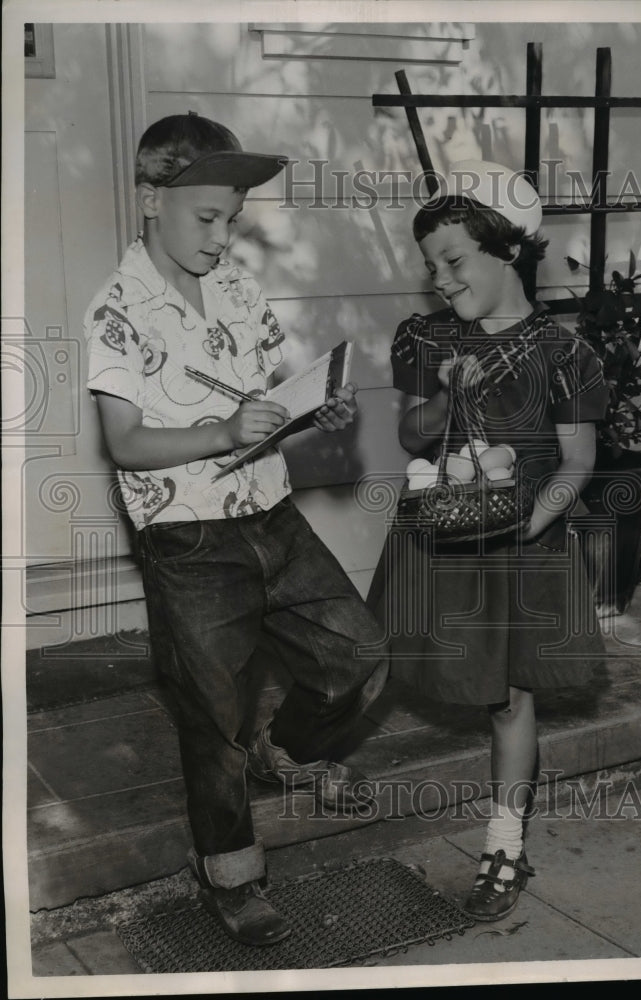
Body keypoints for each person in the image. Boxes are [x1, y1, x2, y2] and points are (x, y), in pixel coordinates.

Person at [83, 112, 387, 946]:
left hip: (271, 514)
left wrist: (311, 408)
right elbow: (125, 442)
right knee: (213, 714)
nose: (222, 238)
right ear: (152, 199)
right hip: (189, 541)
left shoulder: (238, 289)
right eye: (208, 219)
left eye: (233, 219)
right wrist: (222, 431)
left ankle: (280, 749)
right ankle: (230, 873)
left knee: (358, 654)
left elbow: (265, 398)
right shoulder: (116, 310)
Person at [367, 159, 608, 922]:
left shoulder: (565, 355)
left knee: (508, 697)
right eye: (431, 267)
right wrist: (445, 400)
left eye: (453, 261)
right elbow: (412, 435)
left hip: (522, 538)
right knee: (381, 659)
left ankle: (504, 846)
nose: (440, 280)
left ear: (507, 251)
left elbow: (578, 461)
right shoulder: (430, 339)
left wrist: (529, 524)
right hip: (441, 533)